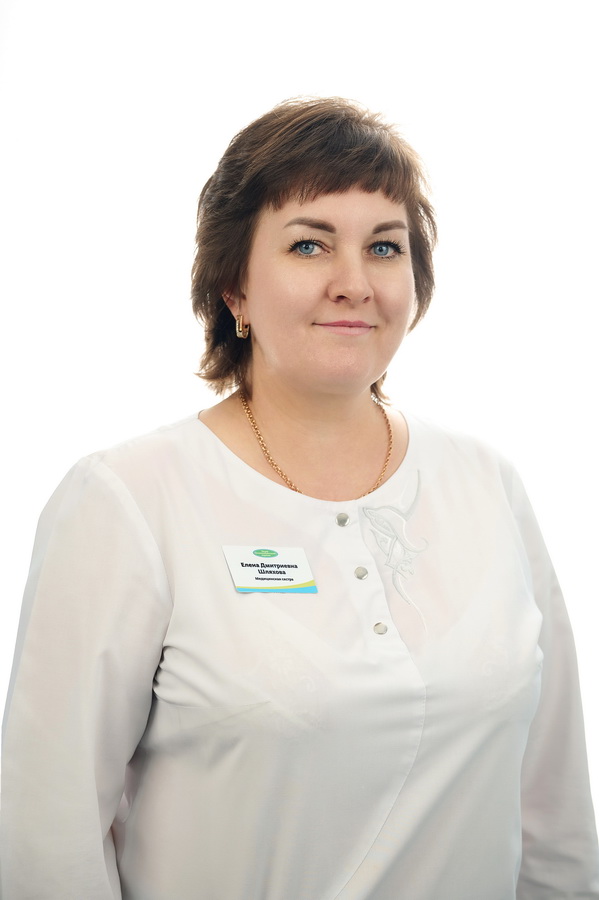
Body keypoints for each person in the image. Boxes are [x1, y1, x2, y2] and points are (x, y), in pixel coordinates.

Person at [1, 97, 598, 900]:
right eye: (308, 244)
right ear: (234, 289)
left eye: (383, 247)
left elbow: (555, 819)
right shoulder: (130, 500)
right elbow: (48, 840)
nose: (353, 284)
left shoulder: (486, 484)